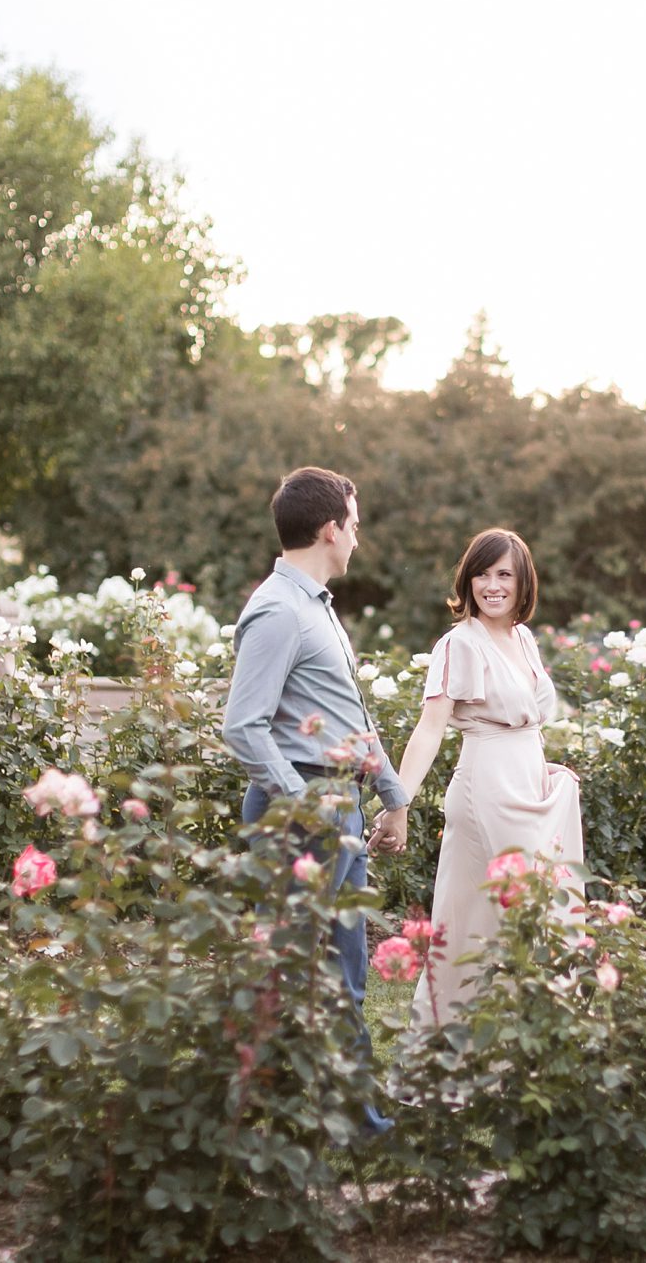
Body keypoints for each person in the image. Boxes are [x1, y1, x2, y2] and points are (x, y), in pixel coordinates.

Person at [221, 466, 410, 1137]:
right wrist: (305, 804)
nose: (357, 540)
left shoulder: (315, 607)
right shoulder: (277, 609)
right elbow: (242, 725)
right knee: (289, 979)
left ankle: (355, 1121)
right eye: (353, 526)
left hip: (338, 810)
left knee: (343, 973)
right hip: (301, 813)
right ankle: (265, 1126)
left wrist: (392, 794)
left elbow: (344, 713)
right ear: (331, 530)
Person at [393, 527, 586, 1023]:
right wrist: (399, 801)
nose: (492, 585)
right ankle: (455, 1058)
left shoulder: (521, 637)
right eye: (482, 573)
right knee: (489, 925)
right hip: (487, 791)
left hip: (528, 785)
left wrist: (541, 766)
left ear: (524, 583)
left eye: (504, 574)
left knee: (533, 915)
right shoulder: (461, 644)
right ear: (467, 580)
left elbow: (526, 721)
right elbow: (430, 728)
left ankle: (530, 1052)